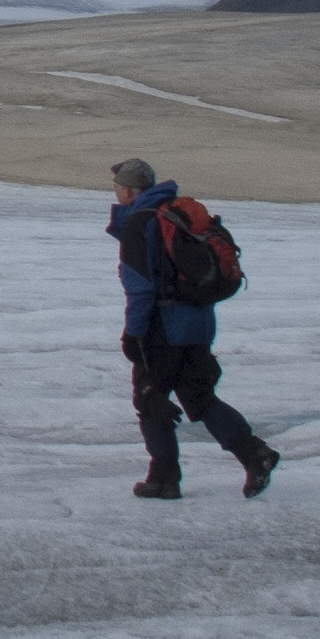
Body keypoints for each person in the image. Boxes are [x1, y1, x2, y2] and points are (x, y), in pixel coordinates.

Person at [111, 157, 279, 500]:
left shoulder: (140, 223)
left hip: (163, 328)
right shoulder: (178, 214)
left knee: (151, 398)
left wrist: (134, 334)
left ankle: (164, 479)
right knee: (198, 396)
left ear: (128, 190)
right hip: (199, 323)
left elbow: (139, 286)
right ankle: (254, 453)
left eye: (117, 188)